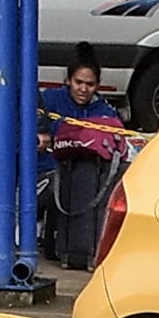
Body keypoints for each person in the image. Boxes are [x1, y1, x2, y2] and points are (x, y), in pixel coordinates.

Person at [38, 53, 131, 266]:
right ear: (68, 81)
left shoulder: (105, 112)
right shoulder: (50, 100)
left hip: (85, 184)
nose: (83, 89)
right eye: (78, 82)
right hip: (45, 174)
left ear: (97, 85)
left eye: (90, 84)